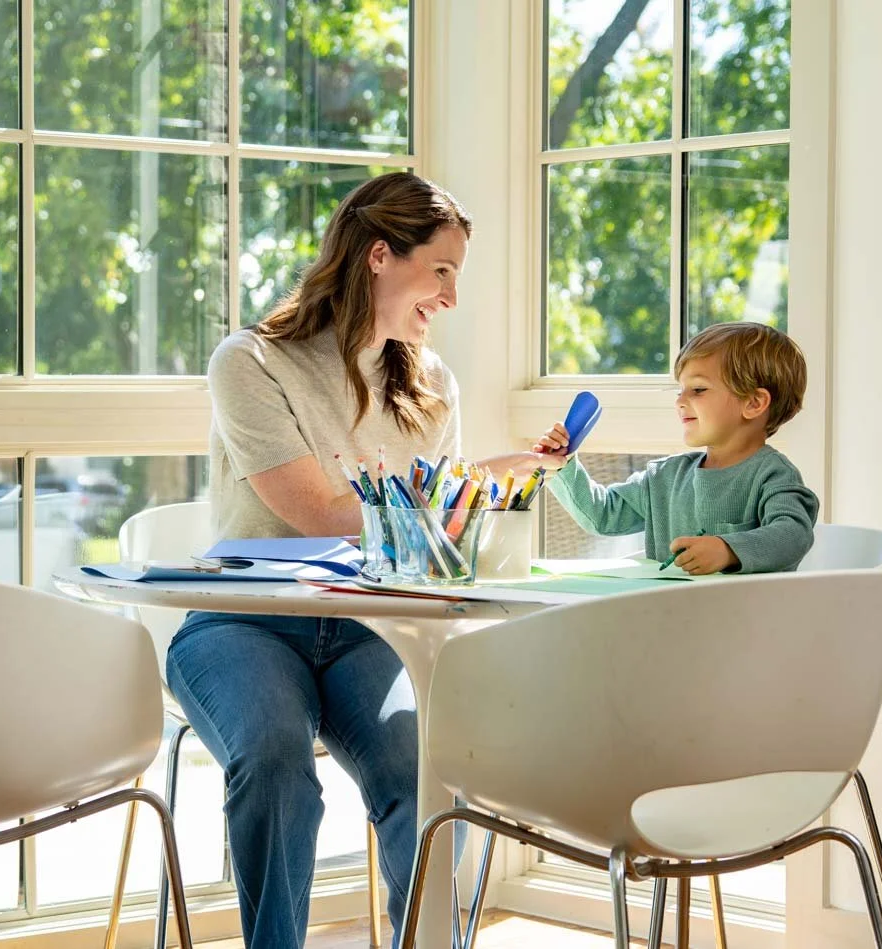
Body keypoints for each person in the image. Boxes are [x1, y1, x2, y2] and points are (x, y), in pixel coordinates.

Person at [177, 171, 467, 949]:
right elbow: (323, 513)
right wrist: (441, 506)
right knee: (273, 758)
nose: (449, 295)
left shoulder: (433, 384)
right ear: (379, 257)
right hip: (245, 620)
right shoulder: (251, 361)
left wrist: (462, 514)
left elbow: (431, 548)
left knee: (429, 768)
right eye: (439, 270)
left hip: (372, 626)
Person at [516, 320, 820, 574]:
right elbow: (603, 516)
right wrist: (564, 466)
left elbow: (792, 535)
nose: (680, 401)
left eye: (698, 389)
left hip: (745, 627)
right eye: (680, 389)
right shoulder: (666, 477)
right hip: (669, 621)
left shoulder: (774, 476)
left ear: (754, 403)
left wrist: (728, 550)